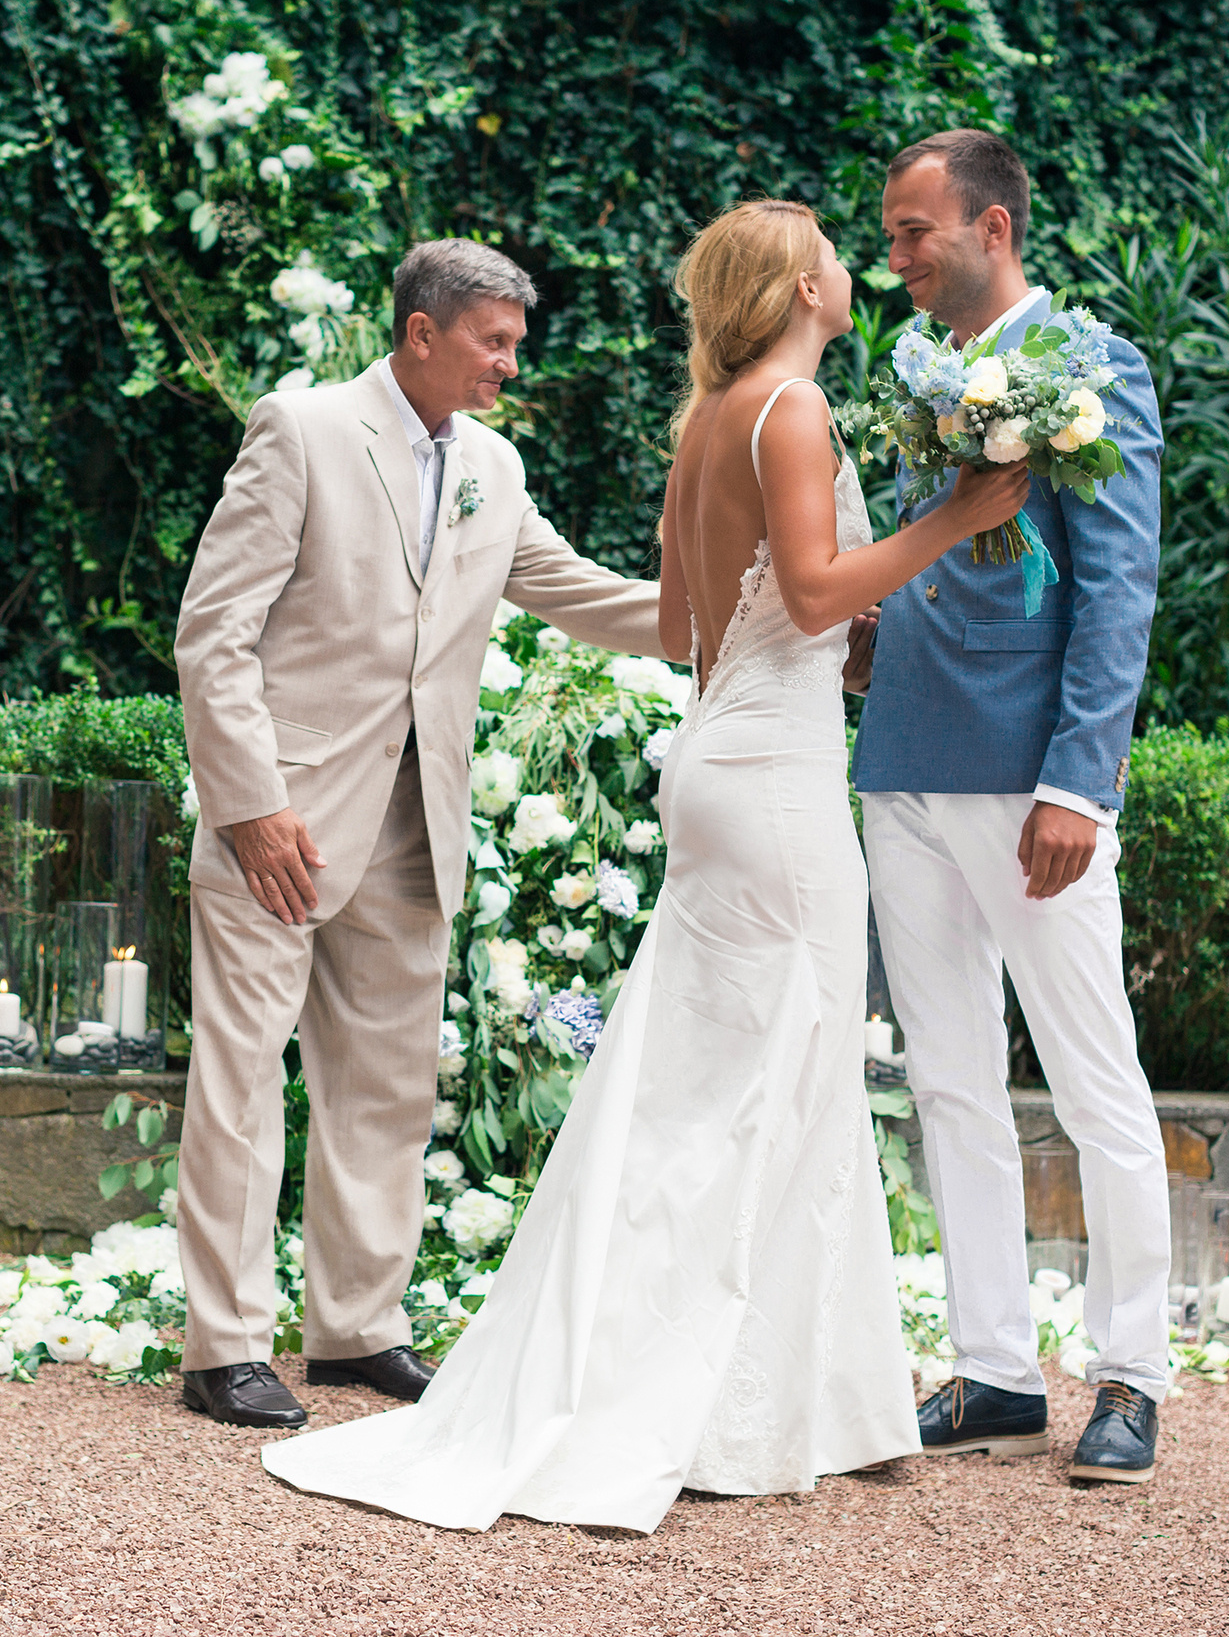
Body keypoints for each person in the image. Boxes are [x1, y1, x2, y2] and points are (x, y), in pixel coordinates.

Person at [257, 201, 1030, 1532]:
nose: (854, 267)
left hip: (720, 758)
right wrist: (960, 517)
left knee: (707, 1091)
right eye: (836, 252)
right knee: (765, 1087)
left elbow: (686, 623)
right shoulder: (788, 414)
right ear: (800, 283)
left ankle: (784, 1395)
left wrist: (842, 621)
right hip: (777, 782)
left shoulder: (706, 419)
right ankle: (710, 1403)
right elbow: (805, 591)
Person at [171, 240, 675, 1429]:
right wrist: (250, 806)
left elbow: (584, 596)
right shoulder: (297, 430)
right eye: (493, 341)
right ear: (421, 333)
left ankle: (355, 1331)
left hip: (415, 824)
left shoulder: (492, 468)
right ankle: (223, 1347)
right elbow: (212, 634)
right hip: (280, 824)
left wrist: (759, 604)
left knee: (388, 1089)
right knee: (241, 1079)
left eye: (512, 341)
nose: (510, 363)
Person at [849, 129, 1170, 1484]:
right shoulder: (919, 372)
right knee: (949, 1082)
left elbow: (1119, 586)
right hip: (903, 753)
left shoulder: (1095, 369)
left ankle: (1134, 1376)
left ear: (991, 229)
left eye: (914, 231)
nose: (895, 256)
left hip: (1028, 777)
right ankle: (992, 1369)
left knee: (1095, 1078)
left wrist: (1077, 781)